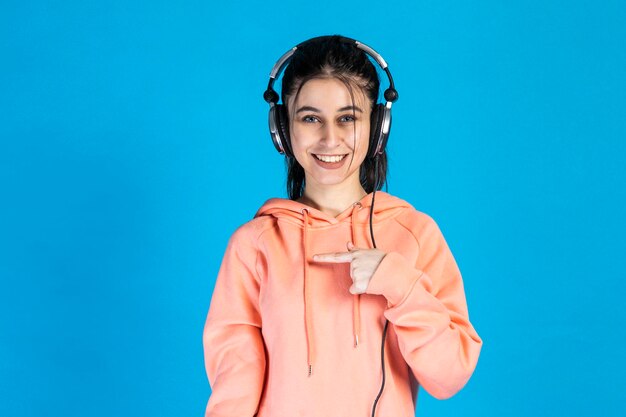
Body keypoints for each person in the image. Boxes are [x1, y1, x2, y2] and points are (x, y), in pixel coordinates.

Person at [202, 35, 482, 417]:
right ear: (283, 129)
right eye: (310, 118)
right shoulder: (254, 245)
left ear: (378, 127)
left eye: (347, 118)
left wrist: (398, 284)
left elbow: (449, 376)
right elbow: (235, 384)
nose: (329, 138)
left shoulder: (415, 234)